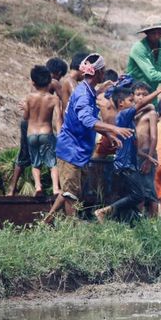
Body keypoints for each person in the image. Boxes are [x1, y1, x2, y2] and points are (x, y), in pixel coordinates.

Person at [44, 54, 133, 223]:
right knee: (71, 195)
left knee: (70, 191)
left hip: (80, 150)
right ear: (98, 73)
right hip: (71, 149)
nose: (105, 74)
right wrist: (114, 128)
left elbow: (89, 116)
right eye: (104, 71)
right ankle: (74, 232)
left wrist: (108, 134)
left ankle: (46, 222)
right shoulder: (83, 94)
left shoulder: (88, 90)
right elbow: (87, 120)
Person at [94, 82, 161, 223]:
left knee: (134, 195)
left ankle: (126, 222)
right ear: (121, 103)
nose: (134, 102)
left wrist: (147, 156)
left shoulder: (128, 120)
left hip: (128, 164)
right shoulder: (123, 115)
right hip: (125, 165)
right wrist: (159, 90)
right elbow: (142, 104)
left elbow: (131, 146)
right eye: (131, 100)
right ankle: (104, 212)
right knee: (138, 195)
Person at [23, 66, 62, 196]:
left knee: (35, 163)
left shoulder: (29, 97)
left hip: (31, 133)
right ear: (50, 81)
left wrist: (24, 108)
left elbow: (26, 117)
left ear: (33, 82)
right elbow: (58, 118)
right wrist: (60, 134)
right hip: (46, 132)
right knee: (52, 163)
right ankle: (56, 188)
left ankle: (38, 187)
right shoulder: (53, 99)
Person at [132, 82, 159, 215]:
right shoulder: (133, 113)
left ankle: (154, 224)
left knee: (149, 190)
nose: (141, 97)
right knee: (138, 189)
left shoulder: (152, 113)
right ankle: (139, 220)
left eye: (145, 94)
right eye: (138, 94)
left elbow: (154, 137)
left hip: (148, 154)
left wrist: (149, 160)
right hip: (136, 155)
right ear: (133, 96)